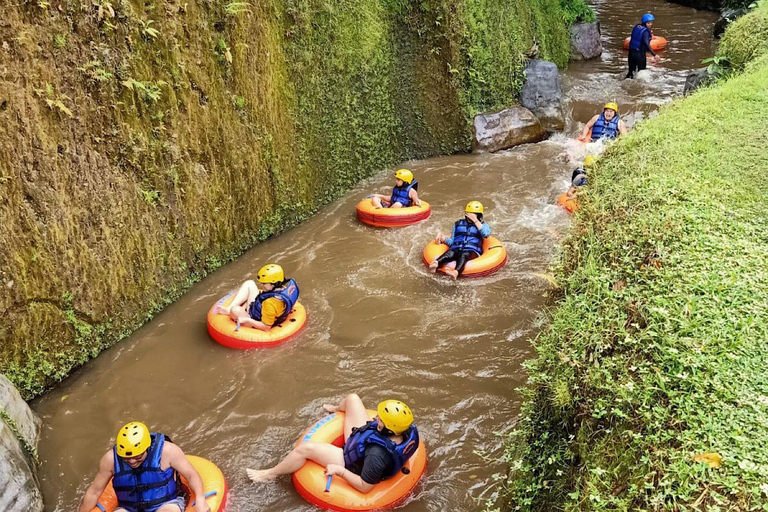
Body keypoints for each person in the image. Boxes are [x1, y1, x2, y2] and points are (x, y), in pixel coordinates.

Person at [246, 394, 420, 493]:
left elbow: (365, 487)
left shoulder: (377, 455)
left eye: (380, 420)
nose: (375, 418)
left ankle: (270, 474)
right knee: (352, 398)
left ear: (390, 429)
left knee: (304, 450)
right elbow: (376, 430)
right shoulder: (404, 430)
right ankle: (337, 409)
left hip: (352, 462)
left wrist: (341, 471)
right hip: (364, 442)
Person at [79, 421, 210, 512]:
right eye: (126, 457)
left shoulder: (168, 452)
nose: (132, 461)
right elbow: (94, 492)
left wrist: (200, 498)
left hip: (166, 504)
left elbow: (191, 475)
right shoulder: (110, 460)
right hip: (128, 509)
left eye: (138, 456)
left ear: (147, 447)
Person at [216, 263, 299, 331]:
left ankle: (234, 310)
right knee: (250, 283)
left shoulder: (270, 303)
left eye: (264, 284)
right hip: (261, 309)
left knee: (234, 310)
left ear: (274, 283)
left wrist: (248, 320)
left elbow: (266, 327)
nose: (262, 285)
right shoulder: (284, 289)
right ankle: (228, 309)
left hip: (257, 319)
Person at [429, 201, 491, 279]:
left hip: (471, 251)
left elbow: (486, 234)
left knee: (463, 255)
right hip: (457, 248)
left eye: (473, 215)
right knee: (450, 253)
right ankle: (436, 263)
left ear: (479, 215)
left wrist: (475, 221)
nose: (470, 217)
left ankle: (455, 272)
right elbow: (452, 242)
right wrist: (443, 238)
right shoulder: (458, 224)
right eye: (468, 214)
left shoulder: (483, 226)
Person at [626, 13, 661, 79]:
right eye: (650, 23)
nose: (651, 24)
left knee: (631, 72)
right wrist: (654, 54)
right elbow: (646, 43)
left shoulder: (636, 27)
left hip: (631, 53)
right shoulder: (646, 32)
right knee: (641, 73)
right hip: (639, 55)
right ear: (646, 23)